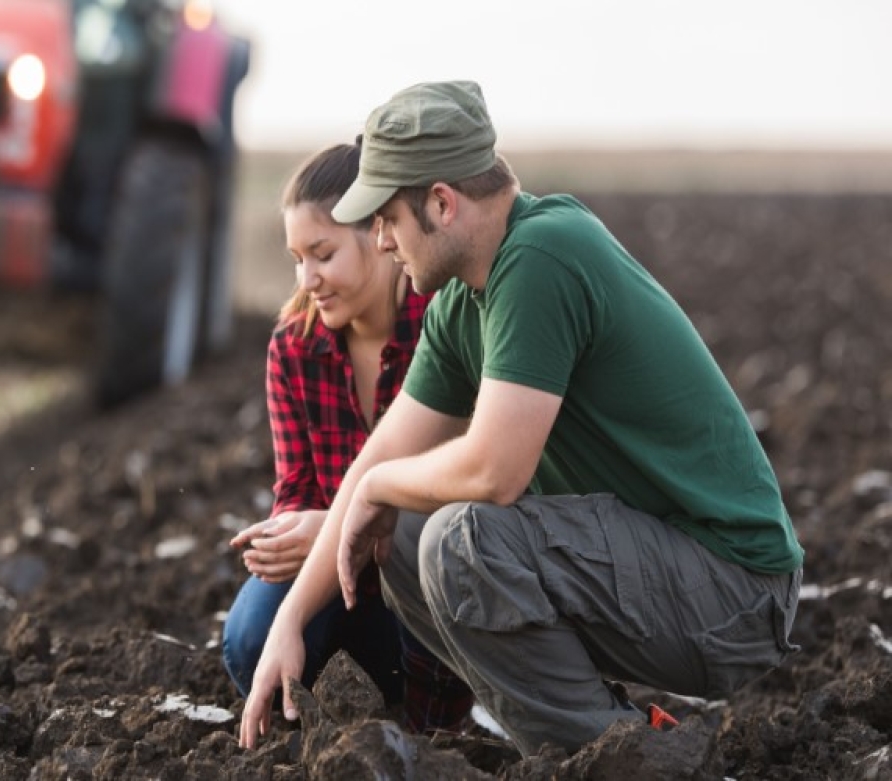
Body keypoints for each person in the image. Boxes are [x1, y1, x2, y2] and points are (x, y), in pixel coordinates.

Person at [239, 80, 804, 756]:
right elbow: (379, 459)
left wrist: (375, 488)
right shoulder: (459, 305)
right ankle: (616, 741)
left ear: (442, 204)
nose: (383, 242)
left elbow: (494, 470)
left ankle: (637, 762)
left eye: (387, 219)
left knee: (461, 538)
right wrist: (290, 621)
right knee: (407, 534)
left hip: (734, 588)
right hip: (653, 569)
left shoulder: (542, 255)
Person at [222, 141, 473, 734]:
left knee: (424, 541)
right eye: (295, 259)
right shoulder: (293, 345)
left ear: (380, 234)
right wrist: (297, 529)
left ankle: (431, 730)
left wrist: (338, 527)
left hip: (430, 586)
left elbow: (464, 485)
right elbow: (295, 486)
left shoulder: (442, 324)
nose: (307, 278)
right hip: (337, 584)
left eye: (323, 254)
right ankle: (330, 724)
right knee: (249, 637)